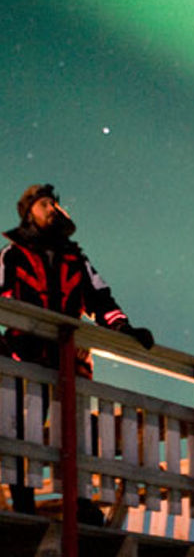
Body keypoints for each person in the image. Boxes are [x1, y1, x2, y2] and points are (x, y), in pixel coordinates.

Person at [0, 183, 154, 520]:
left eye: (54, 203)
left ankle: (80, 504)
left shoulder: (76, 259)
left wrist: (123, 327)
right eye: (44, 204)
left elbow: (101, 301)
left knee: (76, 436)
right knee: (20, 433)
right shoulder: (12, 255)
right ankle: (23, 505)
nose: (52, 208)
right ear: (29, 213)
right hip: (24, 358)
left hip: (71, 362)